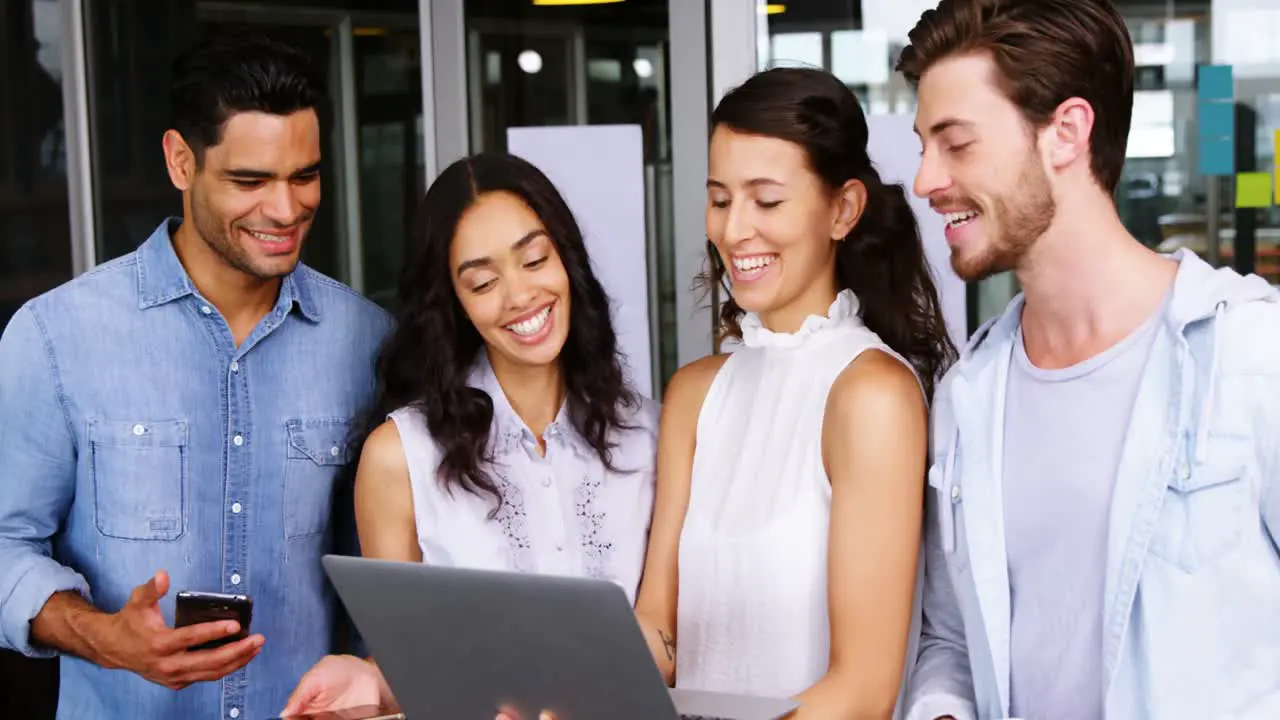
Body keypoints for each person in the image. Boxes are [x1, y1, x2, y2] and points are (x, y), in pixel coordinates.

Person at [898, 1, 1280, 719]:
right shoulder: (968, 396)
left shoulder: (1252, 357)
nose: (925, 180)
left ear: (1066, 133)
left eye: (955, 143)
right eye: (924, 145)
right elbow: (950, 640)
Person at [0, 32, 392, 719]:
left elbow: (389, 577)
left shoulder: (365, 342)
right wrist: (104, 636)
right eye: (250, 181)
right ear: (181, 161)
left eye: (304, 176)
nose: (285, 209)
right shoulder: (56, 336)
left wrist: (374, 674)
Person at [279, 152, 658, 716]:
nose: (519, 296)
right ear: (454, 303)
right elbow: (404, 663)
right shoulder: (399, 457)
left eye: (534, 260)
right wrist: (367, 680)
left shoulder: (649, 433)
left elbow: (668, 637)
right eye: (483, 282)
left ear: (566, 260)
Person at [629, 67, 956, 719]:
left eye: (766, 200)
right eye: (720, 200)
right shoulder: (695, 393)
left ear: (843, 210)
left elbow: (863, 691)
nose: (733, 229)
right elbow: (659, 635)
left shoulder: (872, 396)